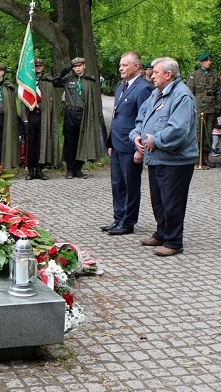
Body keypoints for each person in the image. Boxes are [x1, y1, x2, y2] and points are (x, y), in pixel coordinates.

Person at [130, 57, 197, 257]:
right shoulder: (155, 94)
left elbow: (178, 130)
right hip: (156, 158)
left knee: (172, 201)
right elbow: (141, 118)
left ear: (168, 75)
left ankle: (174, 242)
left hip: (176, 161)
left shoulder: (182, 96)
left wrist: (156, 140)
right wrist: (136, 136)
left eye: (156, 72)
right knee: (158, 200)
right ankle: (162, 233)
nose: (151, 75)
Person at [102, 52, 152, 236]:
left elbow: (144, 120)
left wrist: (140, 149)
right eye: (120, 65)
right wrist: (110, 142)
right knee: (117, 184)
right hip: (116, 143)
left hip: (131, 145)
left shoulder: (143, 89)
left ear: (136, 67)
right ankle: (118, 218)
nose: (120, 68)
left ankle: (128, 222)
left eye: (124, 65)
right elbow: (117, 117)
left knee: (130, 184)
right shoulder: (121, 87)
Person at [53, 57, 104, 179]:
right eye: (75, 66)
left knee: (82, 141)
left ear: (84, 66)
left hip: (83, 114)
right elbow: (55, 81)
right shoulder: (68, 80)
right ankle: (70, 170)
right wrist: (66, 70)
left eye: (79, 66)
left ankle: (78, 169)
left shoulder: (89, 81)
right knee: (70, 141)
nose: (77, 68)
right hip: (70, 114)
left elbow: (93, 100)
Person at [186, 52, 221, 159]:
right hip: (199, 106)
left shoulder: (214, 75)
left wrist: (218, 106)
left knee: (209, 133)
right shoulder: (195, 75)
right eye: (206, 61)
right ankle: (197, 156)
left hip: (211, 107)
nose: (208, 63)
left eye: (210, 60)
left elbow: (218, 92)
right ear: (202, 62)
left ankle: (205, 157)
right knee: (198, 132)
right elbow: (189, 93)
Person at [34, 58, 59, 172]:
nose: (38, 67)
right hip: (32, 114)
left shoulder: (48, 81)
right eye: (36, 65)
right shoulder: (28, 81)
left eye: (40, 66)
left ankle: (41, 166)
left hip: (44, 114)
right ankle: (31, 168)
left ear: (43, 67)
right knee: (32, 141)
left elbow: (51, 100)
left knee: (43, 139)